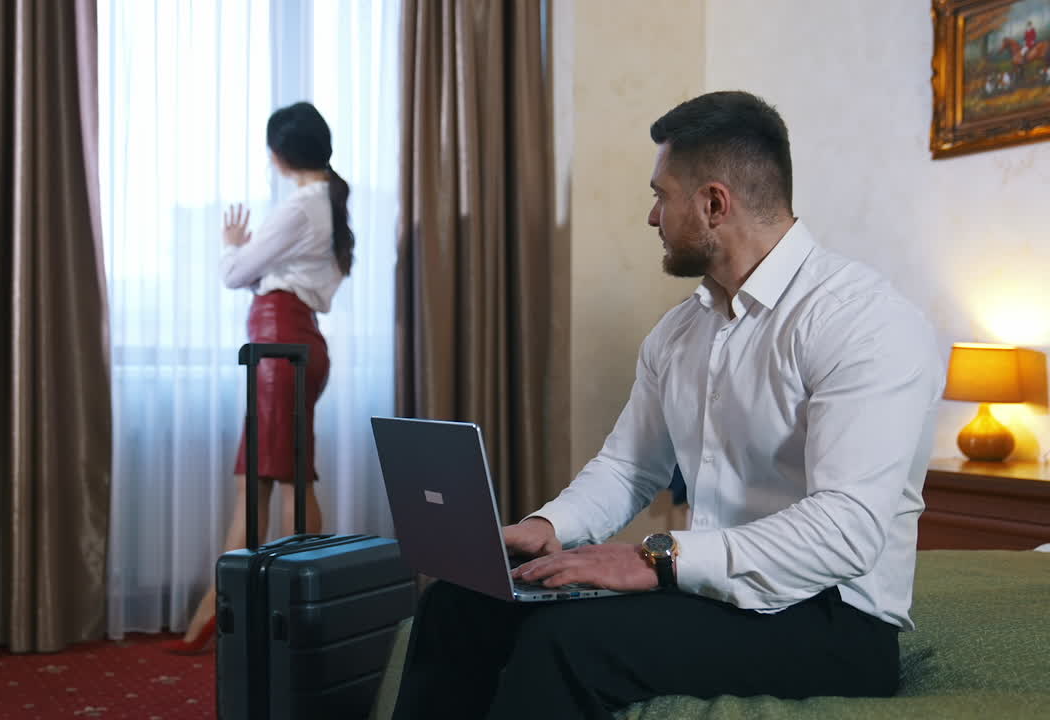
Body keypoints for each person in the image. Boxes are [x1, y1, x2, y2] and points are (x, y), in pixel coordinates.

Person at [389, 91, 944, 719]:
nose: (653, 217)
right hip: (711, 591)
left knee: (565, 644)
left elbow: (845, 531)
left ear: (713, 203)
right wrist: (547, 529)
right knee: (458, 604)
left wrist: (657, 560)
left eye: (661, 195)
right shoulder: (680, 332)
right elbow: (628, 467)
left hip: (832, 616)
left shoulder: (864, 322)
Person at [163, 101, 353, 655]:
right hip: (294, 342)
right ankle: (242, 608)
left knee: (276, 480)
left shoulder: (299, 208)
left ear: (277, 154)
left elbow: (234, 275)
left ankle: (250, 609)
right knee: (275, 477)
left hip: (281, 346)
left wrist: (232, 245)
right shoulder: (327, 203)